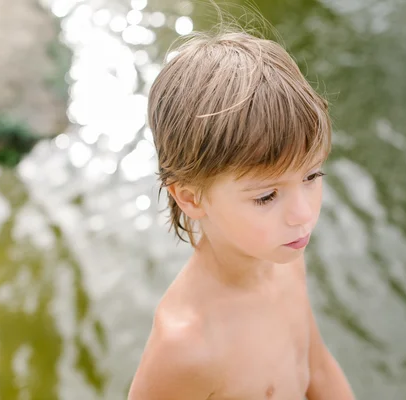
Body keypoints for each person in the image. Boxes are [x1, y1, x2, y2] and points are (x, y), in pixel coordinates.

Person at [127, 27, 355, 400]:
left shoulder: (286, 261)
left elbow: (317, 368)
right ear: (190, 197)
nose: (303, 215)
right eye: (266, 197)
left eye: (312, 175)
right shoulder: (185, 347)